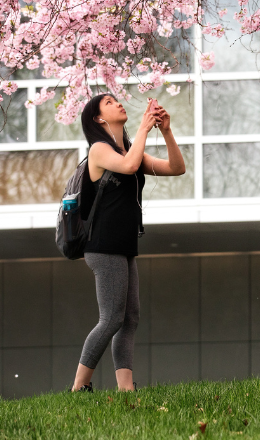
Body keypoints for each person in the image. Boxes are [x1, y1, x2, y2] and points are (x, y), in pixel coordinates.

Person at [71, 92, 185, 392]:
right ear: (98, 118)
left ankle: (126, 389)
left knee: (129, 319)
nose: (117, 103)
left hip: (123, 247)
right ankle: (78, 388)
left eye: (115, 100)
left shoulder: (130, 150)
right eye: (108, 103)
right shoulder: (99, 150)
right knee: (110, 319)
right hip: (102, 246)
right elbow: (130, 166)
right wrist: (145, 128)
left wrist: (167, 131)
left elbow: (176, 168)